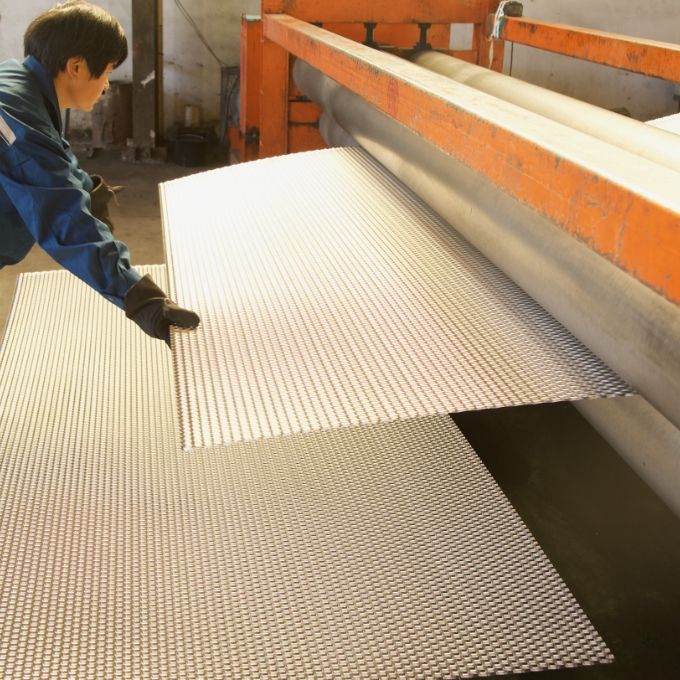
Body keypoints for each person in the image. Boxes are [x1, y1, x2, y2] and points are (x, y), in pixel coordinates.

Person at [0, 0, 199, 344]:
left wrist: (84, 188)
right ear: (76, 66)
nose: (107, 84)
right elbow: (61, 217)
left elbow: (52, 157)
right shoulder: (15, 116)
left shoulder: (19, 83)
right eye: (106, 70)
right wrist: (140, 297)